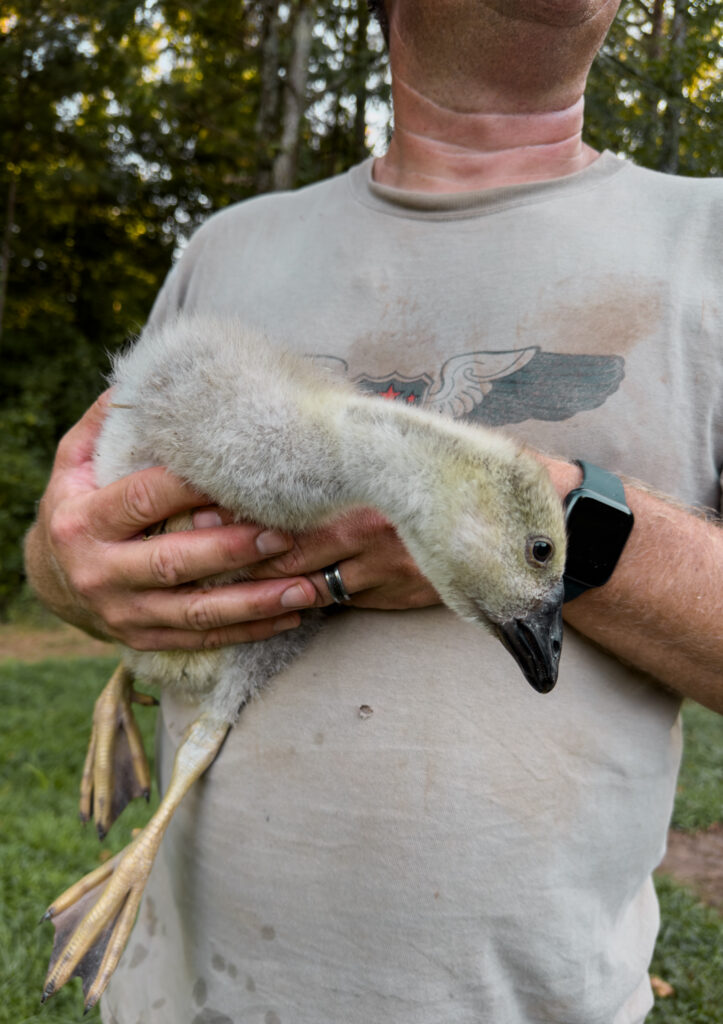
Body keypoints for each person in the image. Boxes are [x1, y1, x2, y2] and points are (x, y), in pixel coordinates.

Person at [25, 1, 722, 1021]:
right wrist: (62, 563)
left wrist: (582, 532)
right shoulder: (226, 247)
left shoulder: (711, 239)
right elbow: (82, 533)